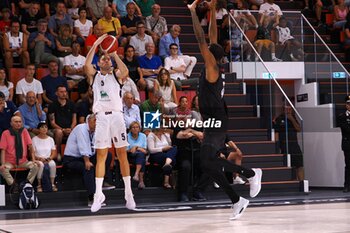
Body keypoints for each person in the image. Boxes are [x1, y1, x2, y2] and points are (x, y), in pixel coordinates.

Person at [188, 0, 262, 220]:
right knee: (208, 164)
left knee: (208, 161)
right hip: (213, 118)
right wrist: (211, 8)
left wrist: (193, 12)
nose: (205, 50)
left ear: (211, 56)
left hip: (216, 120)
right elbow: (211, 38)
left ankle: (250, 173)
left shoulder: (212, 69)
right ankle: (237, 200)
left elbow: (201, 39)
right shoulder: (214, 63)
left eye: (208, 51)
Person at [85, 34, 136, 212]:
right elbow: (86, 65)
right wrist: (97, 45)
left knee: (122, 154)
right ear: (99, 63)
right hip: (101, 118)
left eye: (108, 59)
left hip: (116, 116)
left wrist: (114, 54)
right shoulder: (94, 76)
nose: (105, 60)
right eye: (103, 58)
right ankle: (98, 194)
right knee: (101, 155)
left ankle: (128, 194)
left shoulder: (116, 75)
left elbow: (126, 71)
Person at [63, 114, 115, 206]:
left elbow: (97, 146)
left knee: (108, 156)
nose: (97, 124)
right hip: (72, 159)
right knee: (88, 167)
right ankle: (92, 198)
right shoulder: (81, 128)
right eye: (96, 122)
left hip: (86, 156)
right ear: (90, 121)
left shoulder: (95, 131)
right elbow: (83, 146)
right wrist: (87, 161)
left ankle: (102, 182)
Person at [0, 116, 39, 193]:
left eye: (20, 122)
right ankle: (14, 185)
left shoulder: (24, 131)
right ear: (11, 123)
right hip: (9, 162)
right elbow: (3, 150)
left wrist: (34, 160)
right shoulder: (5, 133)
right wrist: (3, 164)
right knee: (2, 169)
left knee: (35, 166)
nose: (18, 123)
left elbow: (30, 147)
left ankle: (26, 184)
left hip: (23, 161)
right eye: (16, 122)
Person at [274, 104, 304, 181]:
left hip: (295, 145)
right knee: (289, 166)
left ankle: (302, 184)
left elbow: (299, 129)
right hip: (284, 145)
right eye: (286, 109)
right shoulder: (279, 119)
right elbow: (276, 133)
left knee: (299, 165)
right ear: (283, 110)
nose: (288, 111)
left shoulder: (293, 118)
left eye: (290, 109)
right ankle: (292, 183)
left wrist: (292, 119)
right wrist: (277, 147)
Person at [32, 122, 57, 192]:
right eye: (42, 127)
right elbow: (32, 153)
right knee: (41, 165)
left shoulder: (51, 139)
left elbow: (54, 152)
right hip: (38, 159)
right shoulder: (34, 139)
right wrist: (39, 158)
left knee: (53, 164)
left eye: (46, 127)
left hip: (48, 159)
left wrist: (49, 158)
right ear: (38, 129)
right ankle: (39, 185)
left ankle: (52, 184)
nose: (44, 129)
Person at [127, 121, 147, 189]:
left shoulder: (143, 136)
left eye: (137, 127)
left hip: (139, 155)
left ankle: (136, 174)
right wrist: (132, 149)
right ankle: (141, 181)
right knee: (141, 158)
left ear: (139, 129)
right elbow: (126, 150)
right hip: (130, 156)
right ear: (130, 129)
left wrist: (136, 147)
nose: (135, 129)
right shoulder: (127, 136)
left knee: (141, 156)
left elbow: (145, 150)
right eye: (133, 127)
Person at [337, 95, 350, 193]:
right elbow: (346, 129)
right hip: (348, 144)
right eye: (348, 103)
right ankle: (347, 185)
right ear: (346, 105)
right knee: (348, 165)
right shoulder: (342, 117)